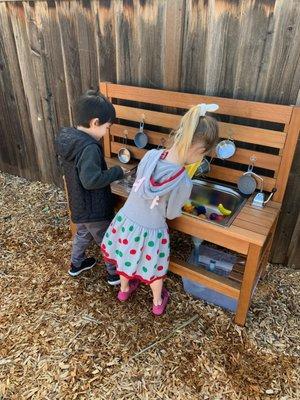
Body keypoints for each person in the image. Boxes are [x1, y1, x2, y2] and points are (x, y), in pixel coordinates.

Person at [100, 103, 219, 314]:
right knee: (154, 268)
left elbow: (140, 183)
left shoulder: (151, 155)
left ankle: (124, 290)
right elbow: (171, 213)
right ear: (199, 150)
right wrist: (182, 208)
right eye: (204, 154)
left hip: (126, 220)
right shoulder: (182, 181)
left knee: (126, 257)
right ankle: (156, 303)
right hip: (151, 231)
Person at [56, 89, 125, 285]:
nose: (106, 132)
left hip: (79, 203)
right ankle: (114, 274)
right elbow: (91, 180)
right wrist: (116, 172)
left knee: (82, 234)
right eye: (106, 127)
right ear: (95, 122)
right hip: (94, 208)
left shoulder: (71, 140)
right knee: (106, 239)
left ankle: (76, 265)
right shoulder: (89, 148)